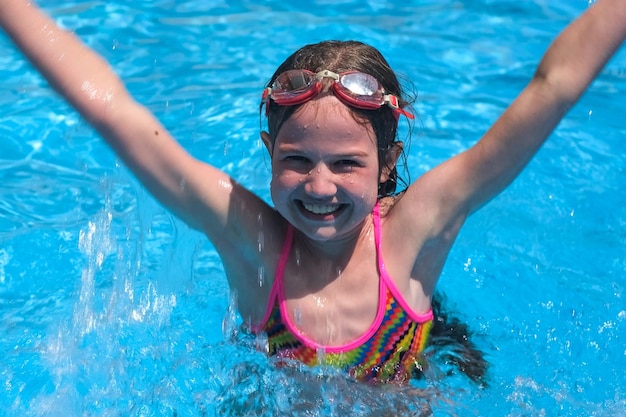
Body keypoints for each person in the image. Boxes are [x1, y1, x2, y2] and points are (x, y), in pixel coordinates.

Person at [1, 0, 624, 384]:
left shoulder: (410, 238)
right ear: (269, 154)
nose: (319, 186)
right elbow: (116, 115)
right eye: (296, 159)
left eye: (346, 163)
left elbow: (551, 89)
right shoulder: (253, 242)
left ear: (387, 166)